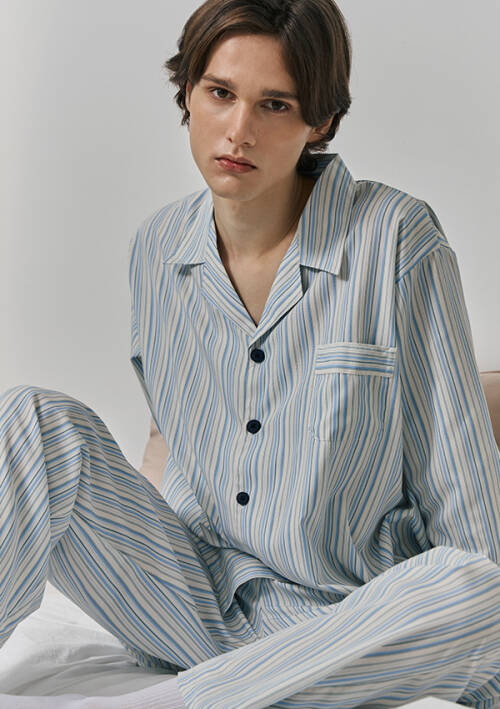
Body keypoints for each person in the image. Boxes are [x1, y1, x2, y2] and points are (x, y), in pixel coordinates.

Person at [1, 0, 499, 707]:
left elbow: (468, 521)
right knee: (29, 419)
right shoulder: (156, 250)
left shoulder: (396, 238)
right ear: (187, 93)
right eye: (220, 93)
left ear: (320, 121)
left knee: (478, 584)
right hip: (191, 600)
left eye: (275, 104)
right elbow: (173, 442)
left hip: (342, 619)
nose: (239, 130)